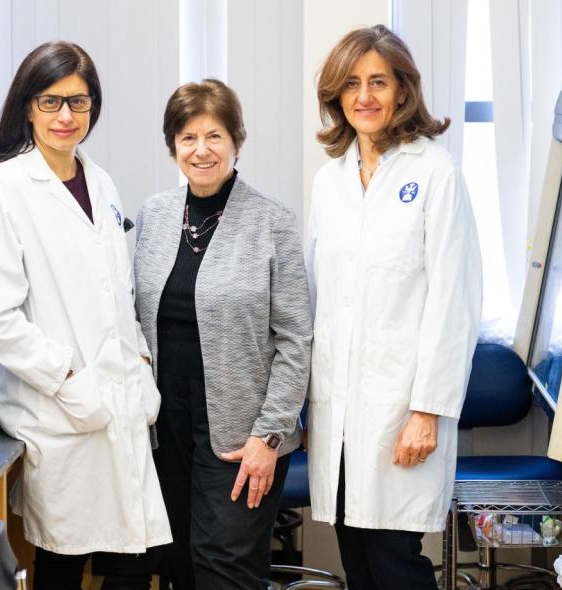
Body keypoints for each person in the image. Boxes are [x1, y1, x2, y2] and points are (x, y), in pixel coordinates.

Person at [0, 41, 170, 590]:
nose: (65, 117)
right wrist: (69, 380)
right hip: (59, 412)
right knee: (61, 563)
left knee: (136, 559)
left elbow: (116, 294)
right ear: (28, 106)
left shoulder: (98, 182)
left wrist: (141, 365)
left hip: (120, 403)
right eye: (51, 101)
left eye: (78, 103)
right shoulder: (5, 189)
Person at [306, 25, 483, 589]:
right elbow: (316, 299)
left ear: (403, 90)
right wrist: (312, 409)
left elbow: (454, 303)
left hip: (401, 412)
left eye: (378, 82)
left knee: (395, 562)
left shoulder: (435, 174)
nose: (365, 97)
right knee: (355, 559)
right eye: (352, 84)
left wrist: (428, 410)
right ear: (336, 95)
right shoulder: (329, 181)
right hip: (338, 412)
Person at [133, 79, 312, 589]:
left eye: (214, 135)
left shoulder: (271, 221)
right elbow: (136, 317)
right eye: (188, 137)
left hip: (242, 434)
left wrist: (269, 436)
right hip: (165, 429)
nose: (201, 150)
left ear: (237, 141)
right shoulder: (155, 215)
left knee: (225, 568)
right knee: (177, 563)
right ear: (173, 146)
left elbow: (296, 339)